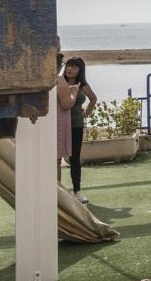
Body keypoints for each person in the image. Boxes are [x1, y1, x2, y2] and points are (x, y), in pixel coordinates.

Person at [60, 57, 96, 203]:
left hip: (76, 125)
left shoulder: (83, 85)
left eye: (74, 67)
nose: (70, 69)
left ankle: (77, 191)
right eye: (68, 66)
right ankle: (58, 190)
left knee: (75, 159)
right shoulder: (59, 82)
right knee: (57, 158)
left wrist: (86, 113)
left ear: (80, 70)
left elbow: (93, 99)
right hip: (60, 124)